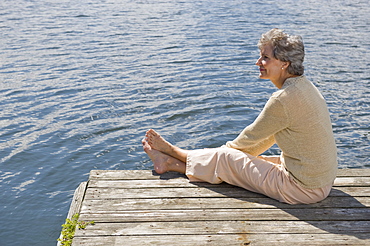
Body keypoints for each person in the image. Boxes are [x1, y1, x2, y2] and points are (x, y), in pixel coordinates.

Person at [142, 28, 338, 204]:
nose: (258, 62)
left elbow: (250, 137)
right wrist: (237, 156)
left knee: (227, 157)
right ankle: (170, 163)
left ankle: (173, 152)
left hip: (301, 189)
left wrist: (226, 155)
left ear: (284, 64)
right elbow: (267, 137)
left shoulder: (283, 99)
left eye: (265, 58)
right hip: (319, 181)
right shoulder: (305, 87)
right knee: (240, 159)